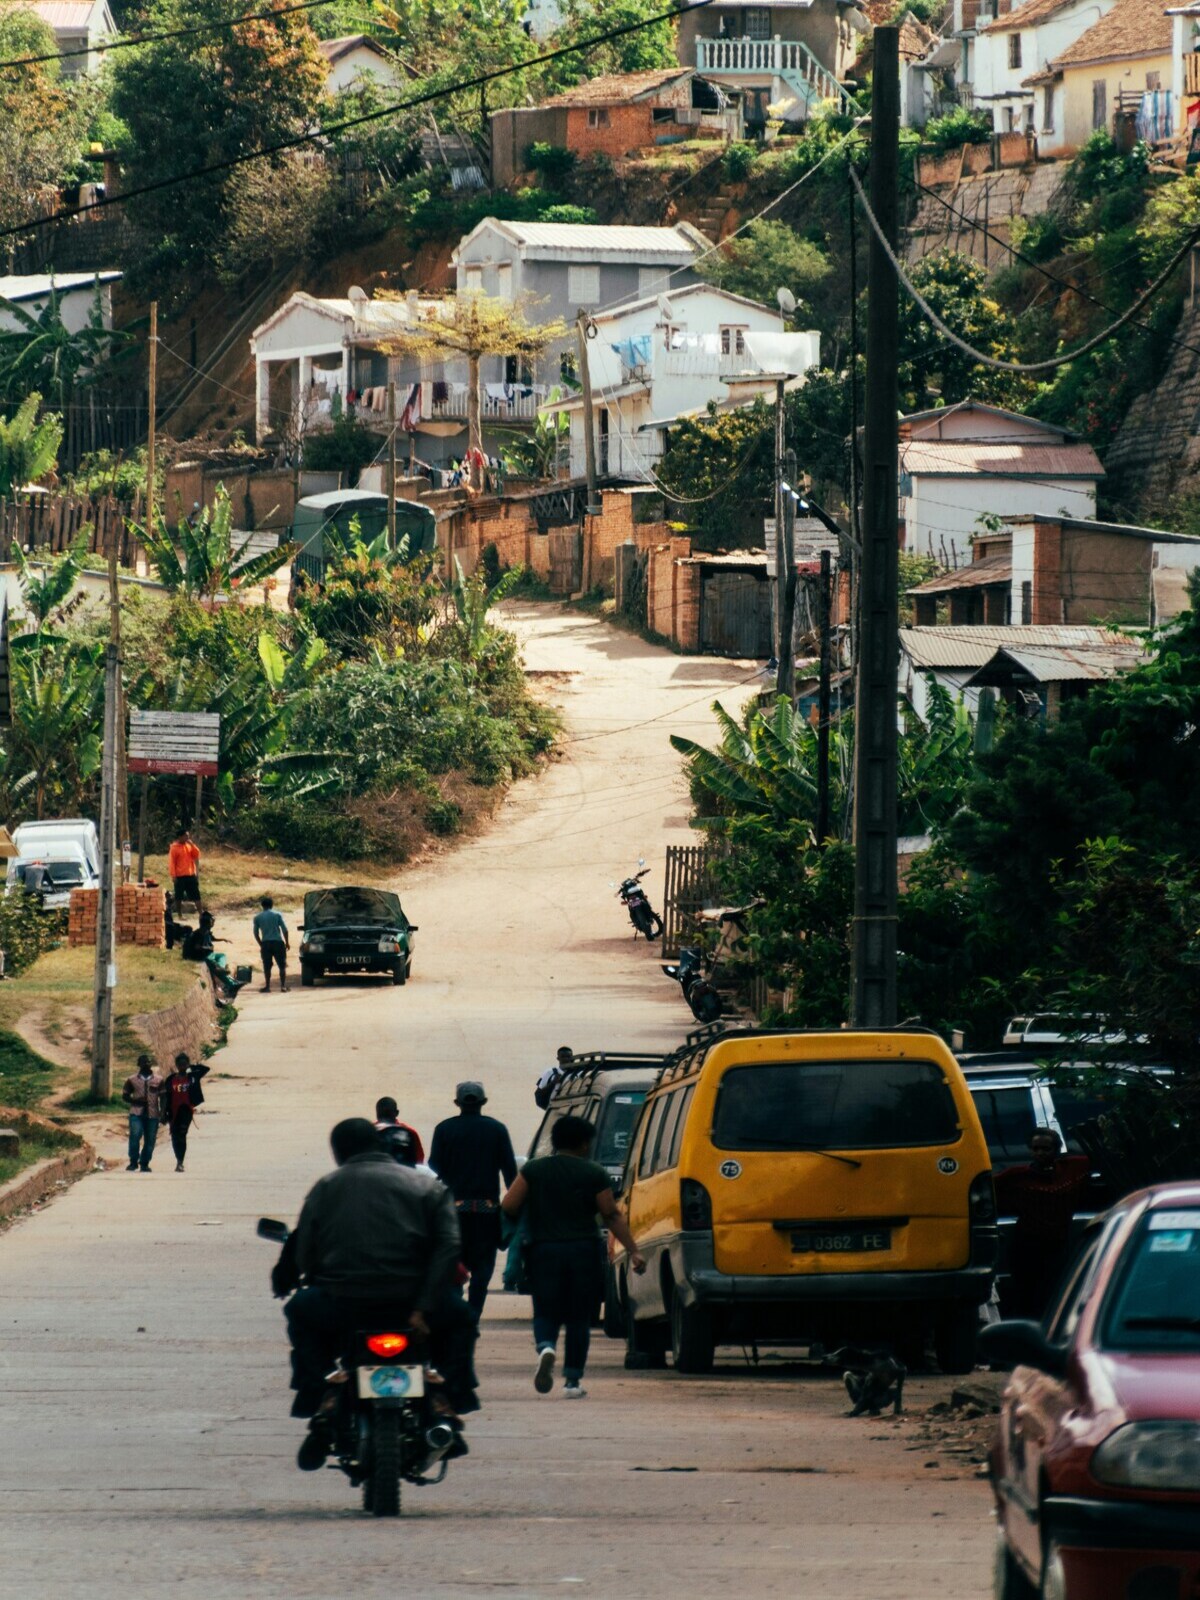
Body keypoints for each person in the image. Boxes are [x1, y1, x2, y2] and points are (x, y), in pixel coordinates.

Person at [280, 1118, 473, 1470]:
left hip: (343, 1306)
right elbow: (450, 1246)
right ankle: (446, 1397)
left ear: (337, 1152)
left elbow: (304, 1250)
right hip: (414, 1308)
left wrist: (315, 1276)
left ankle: (324, 1389)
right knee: (462, 1319)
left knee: (299, 1312)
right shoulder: (426, 1187)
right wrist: (422, 1306)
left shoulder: (325, 1188)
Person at [502, 1114, 645, 1399]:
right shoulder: (594, 1173)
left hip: (543, 1251)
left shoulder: (534, 1170)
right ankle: (572, 1382)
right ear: (581, 1144)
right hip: (583, 1251)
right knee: (579, 1316)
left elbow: (509, 1204)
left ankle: (545, 1346)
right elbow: (610, 1214)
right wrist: (633, 1250)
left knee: (545, 1308)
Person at [429, 1082, 517, 1321]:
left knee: (452, 1264)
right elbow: (510, 1172)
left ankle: (455, 1309)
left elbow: (434, 1166)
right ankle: (473, 1315)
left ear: (457, 1103)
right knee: (483, 1268)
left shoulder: (444, 1129)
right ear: (483, 1103)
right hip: (487, 1212)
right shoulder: (497, 1129)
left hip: (452, 1212)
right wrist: (516, 1209)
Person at [995, 1128, 1093, 1318]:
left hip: (1057, 1244)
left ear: (1056, 1150)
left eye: (1045, 1149)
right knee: (1025, 1296)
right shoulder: (1017, 1175)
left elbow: (1100, 1159)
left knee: (1054, 1293)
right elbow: (986, 1187)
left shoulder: (1070, 1169)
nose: (1040, 1153)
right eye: (1035, 1148)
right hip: (1026, 1245)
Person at [162, 1052, 210, 1173]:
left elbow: (205, 1069)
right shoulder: (171, 1079)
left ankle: (180, 1162)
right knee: (174, 1136)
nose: (182, 1066)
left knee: (182, 1134)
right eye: (180, 1064)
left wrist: (191, 1066)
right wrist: (163, 1113)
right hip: (172, 1111)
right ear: (176, 1065)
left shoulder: (193, 1077)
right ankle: (178, 1159)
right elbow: (165, 1096)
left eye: (184, 1064)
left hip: (186, 1110)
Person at [121, 1054, 167, 1172]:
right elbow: (125, 1096)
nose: (146, 1064)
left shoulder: (159, 1080)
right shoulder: (132, 1080)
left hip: (153, 1114)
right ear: (139, 1064)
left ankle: (145, 1163)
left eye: (148, 1062)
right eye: (144, 1062)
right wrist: (134, 1101)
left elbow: (163, 1097)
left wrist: (163, 1113)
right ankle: (133, 1162)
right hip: (136, 1113)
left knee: (150, 1139)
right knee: (135, 1136)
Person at [252, 896, 290, 994]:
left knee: (267, 966)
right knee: (282, 965)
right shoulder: (277, 915)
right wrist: (287, 942)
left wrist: (261, 944)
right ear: (271, 905)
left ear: (262, 906)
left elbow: (256, 933)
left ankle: (267, 986)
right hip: (278, 942)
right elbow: (285, 930)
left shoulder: (257, 917)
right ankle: (283, 986)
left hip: (266, 943)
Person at [375, 1096, 424, 1167]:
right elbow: (419, 1160)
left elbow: (419, 1159)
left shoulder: (370, 1132)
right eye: (382, 1115)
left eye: (387, 1114)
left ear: (396, 1113)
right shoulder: (409, 1132)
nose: (385, 1119)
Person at [168, 829, 201, 914]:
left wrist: (193, 845)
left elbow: (196, 854)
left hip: (190, 874)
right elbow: (172, 862)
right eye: (186, 836)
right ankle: (179, 914)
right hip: (179, 876)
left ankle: (201, 913)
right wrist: (173, 875)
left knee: (196, 894)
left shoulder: (189, 845)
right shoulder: (174, 848)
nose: (187, 837)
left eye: (188, 836)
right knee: (179, 896)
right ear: (180, 837)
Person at [534, 1045, 576, 1110]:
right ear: (558, 1058)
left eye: (568, 1057)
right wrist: (553, 1082)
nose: (566, 1059)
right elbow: (538, 1094)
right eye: (563, 1057)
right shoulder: (550, 1072)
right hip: (555, 1109)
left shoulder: (578, 1073)